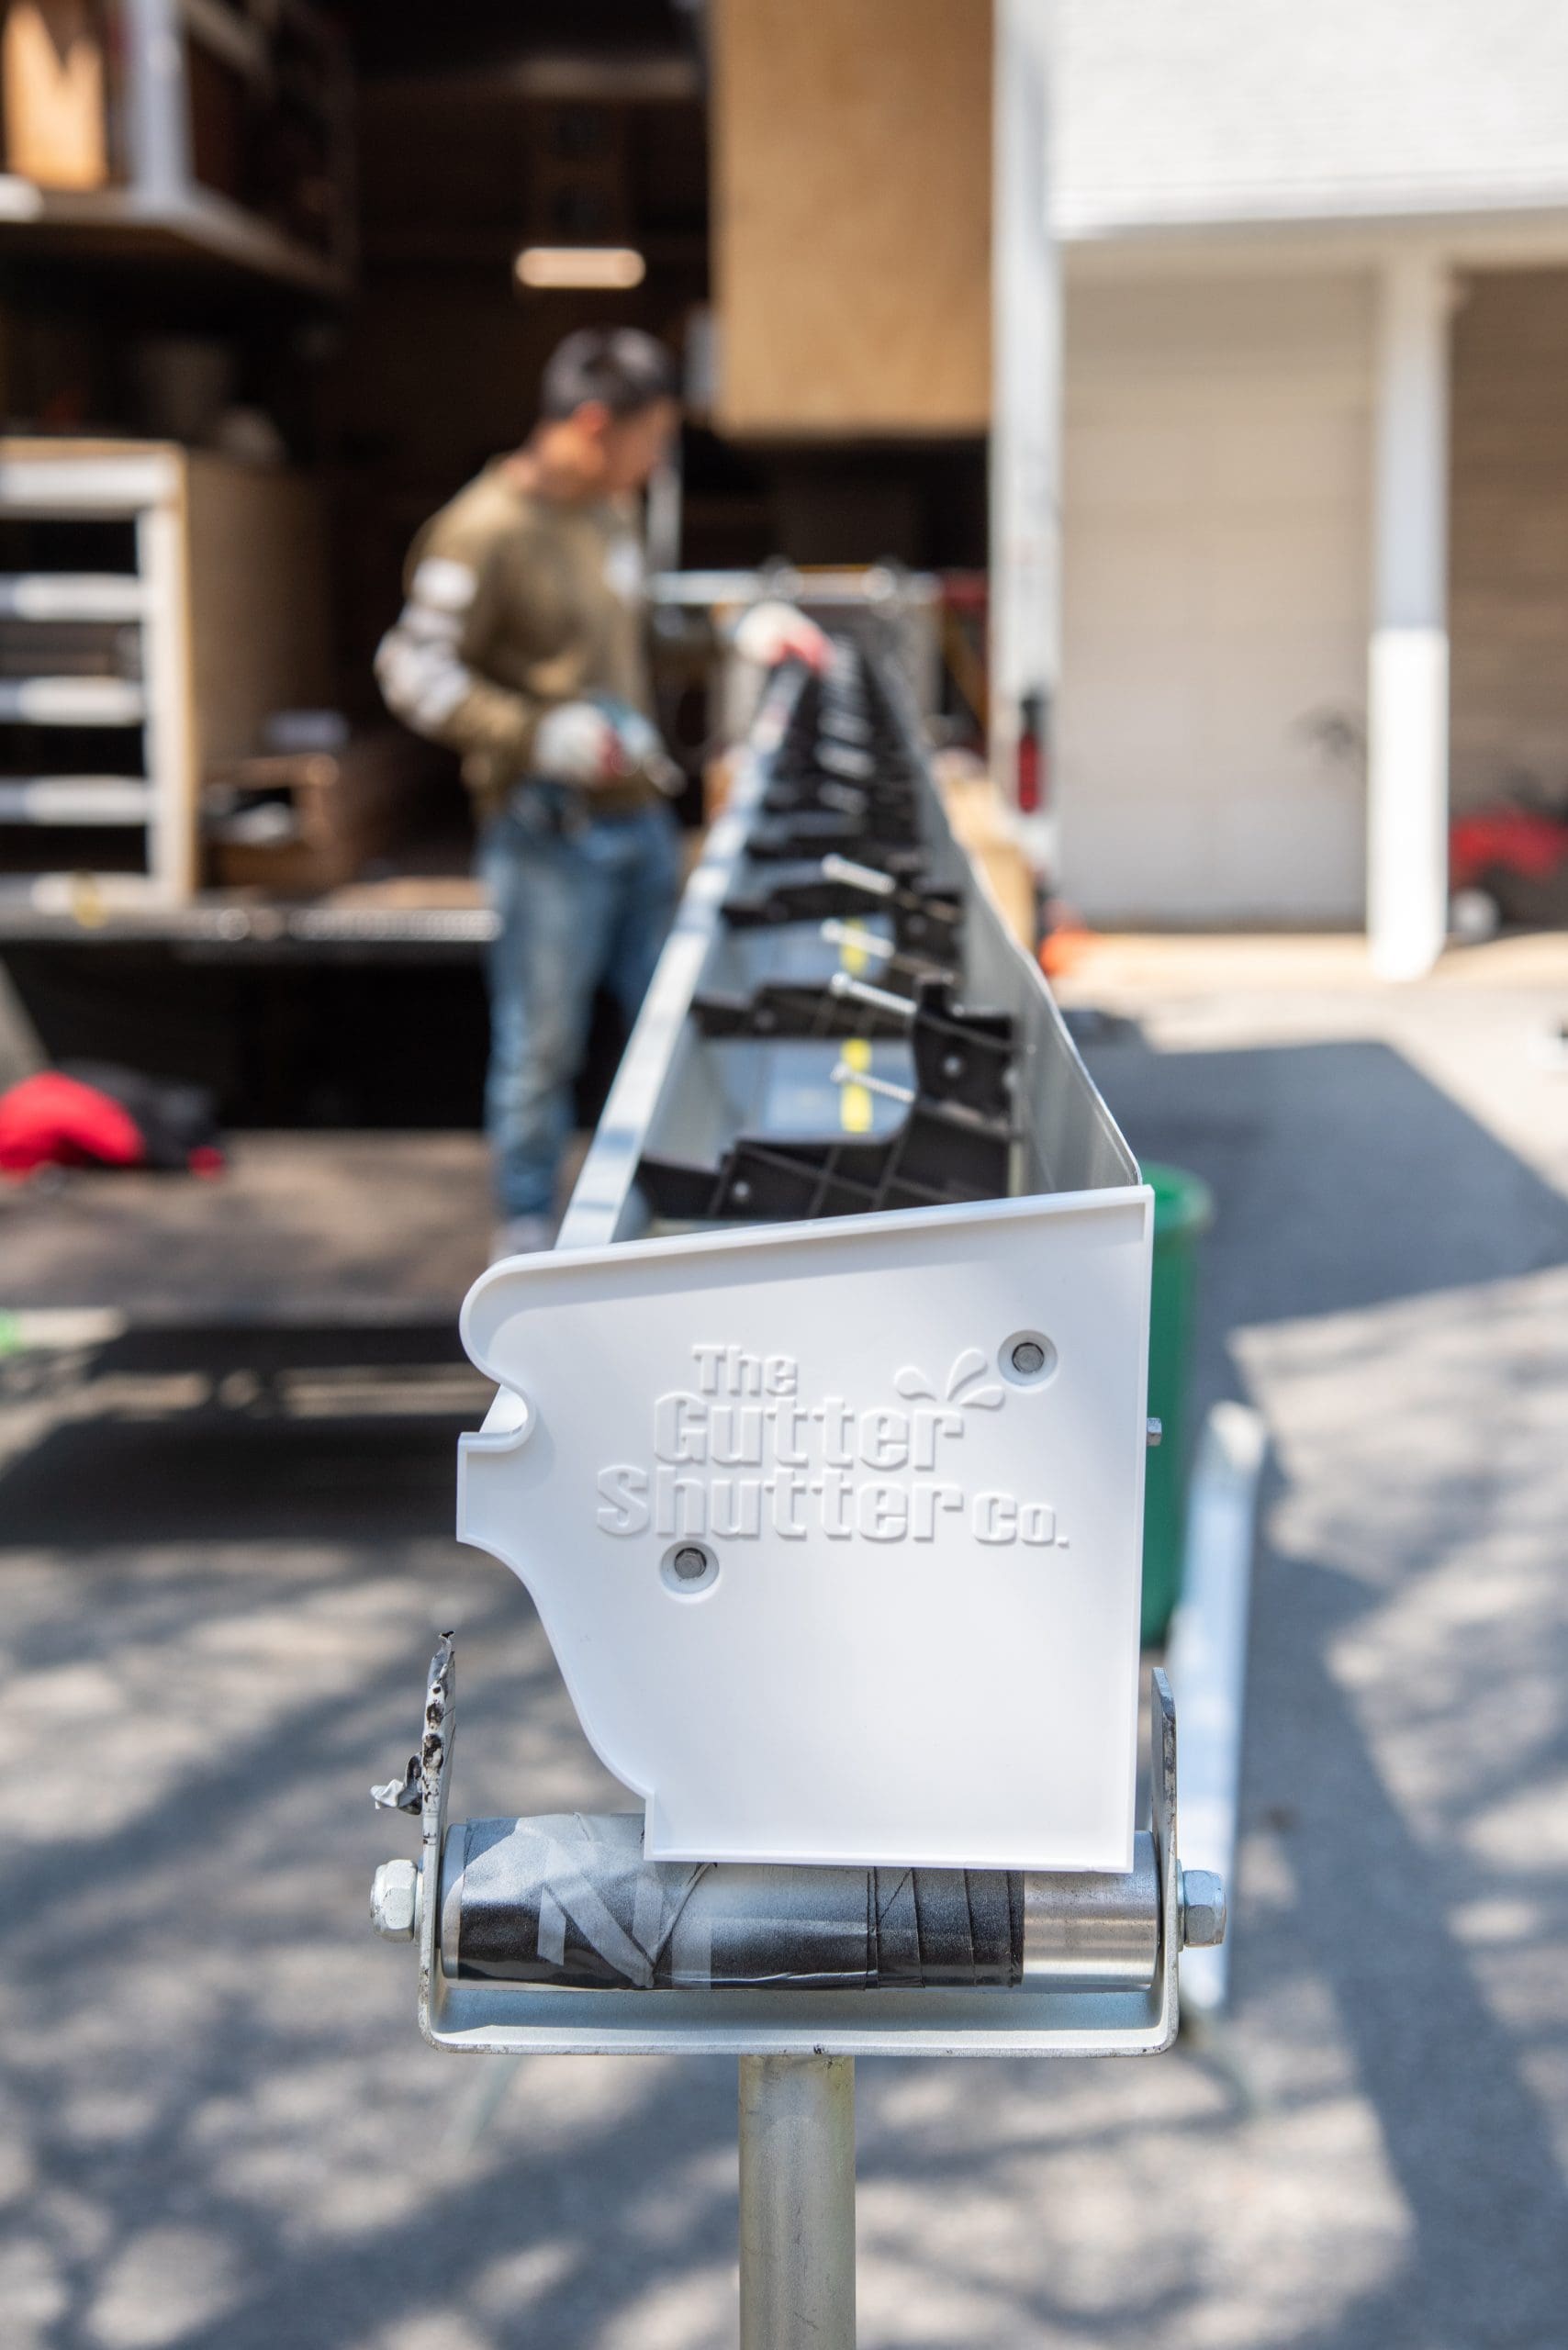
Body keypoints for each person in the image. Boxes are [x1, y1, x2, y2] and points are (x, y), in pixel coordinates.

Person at [375, 328, 688, 1257]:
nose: (658, 457)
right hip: (550, 834)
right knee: (540, 1044)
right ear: (595, 425)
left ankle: (670, 1217)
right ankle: (524, 1224)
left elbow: (633, 638)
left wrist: (738, 632)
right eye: (653, 436)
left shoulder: (609, 513)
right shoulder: (483, 529)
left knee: (671, 1029)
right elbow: (411, 670)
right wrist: (530, 733)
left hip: (642, 823)